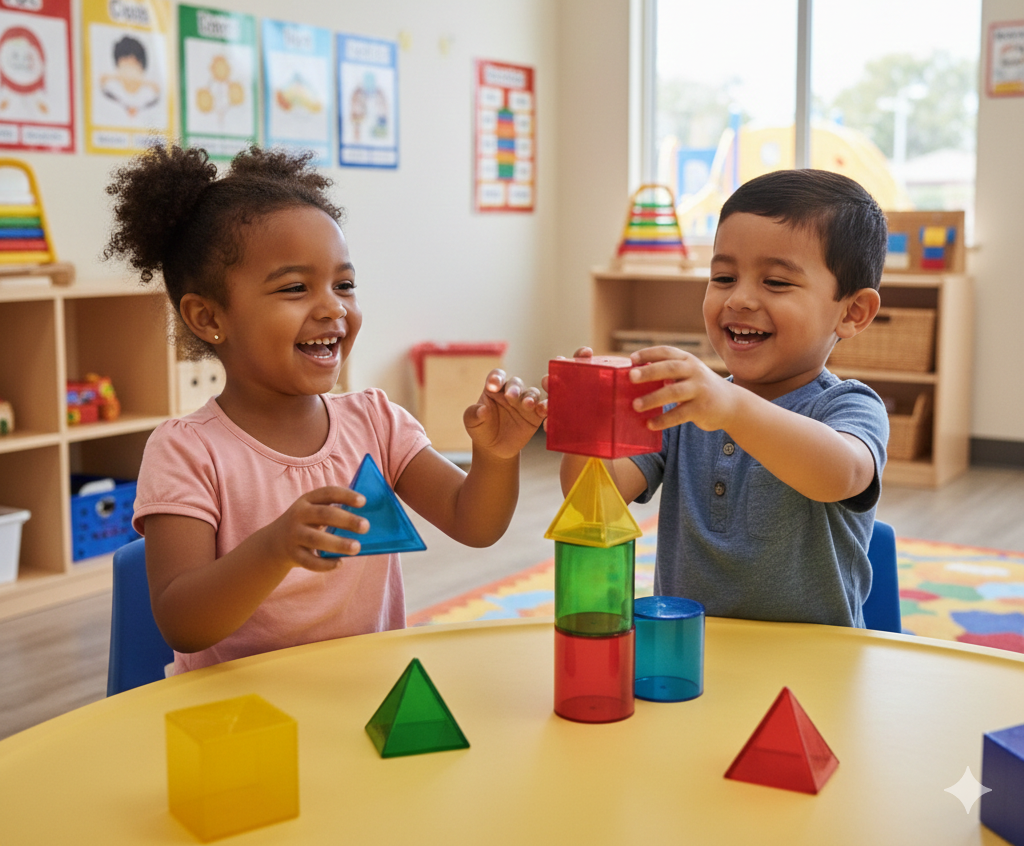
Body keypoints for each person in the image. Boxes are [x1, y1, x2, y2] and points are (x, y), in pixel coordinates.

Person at [104, 143, 546, 672]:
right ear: (207, 317)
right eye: (295, 287)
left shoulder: (376, 421)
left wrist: (495, 458)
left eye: (345, 285)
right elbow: (183, 623)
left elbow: (474, 523)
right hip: (240, 717)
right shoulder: (187, 451)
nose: (334, 307)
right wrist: (274, 548)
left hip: (360, 697)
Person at [556, 170, 889, 627]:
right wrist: (590, 427)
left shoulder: (848, 406)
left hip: (811, 669)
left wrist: (731, 407)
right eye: (724, 276)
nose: (740, 299)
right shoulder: (683, 406)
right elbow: (593, 498)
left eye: (776, 282)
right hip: (688, 658)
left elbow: (840, 474)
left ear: (852, 312)